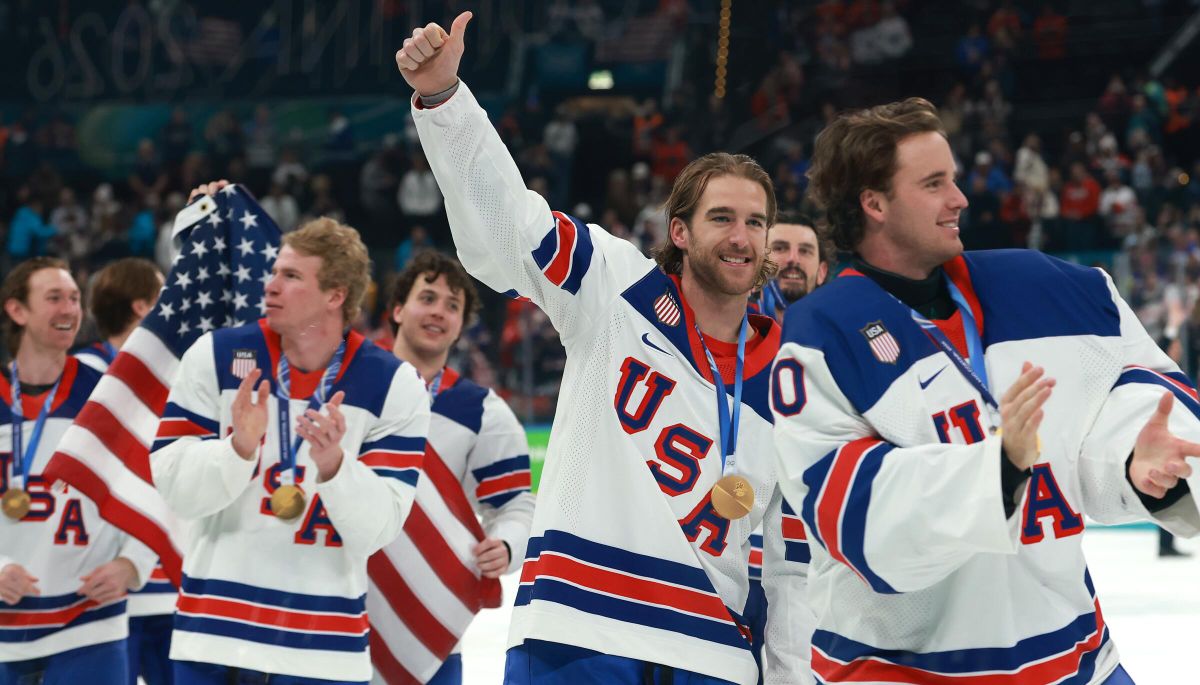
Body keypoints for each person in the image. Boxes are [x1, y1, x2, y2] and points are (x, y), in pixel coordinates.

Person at [397, 14, 808, 685]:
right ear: (679, 230)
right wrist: (447, 101)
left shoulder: (792, 380)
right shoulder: (615, 284)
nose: (741, 237)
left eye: (756, 222)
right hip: (577, 629)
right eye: (722, 218)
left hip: (712, 653)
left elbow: (792, 566)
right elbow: (511, 227)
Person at [774, 97, 1200, 684]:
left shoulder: (1044, 288)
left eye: (953, 178)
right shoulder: (820, 336)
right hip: (898, 673)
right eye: (934, 183)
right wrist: (996, 470)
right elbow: (860, 522)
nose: (960, 199)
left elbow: (1127, 395)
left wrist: (1134, 460)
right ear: (874, 203)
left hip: (1077, 665)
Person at [150, 188, 430, 685]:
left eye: (291, 276)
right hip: (214, 634)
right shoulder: (216, 355)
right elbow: (172, 486)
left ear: (336, 296)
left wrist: (336, 468)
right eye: (275, 270)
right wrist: (237, 449)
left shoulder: (393, 383)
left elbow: (381, 528)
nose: (271, 284)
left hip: (322, 648)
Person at [0, 257, 157, 685]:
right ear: (17, 311)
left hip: (90, 622)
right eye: (54, 298)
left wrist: (132, 563)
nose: (70, 309)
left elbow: (157, 485)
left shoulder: (111, 390)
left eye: (74, 298)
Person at [383, 250, 535, 683]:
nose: (439, 312)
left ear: (463, 324)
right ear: (397, 309)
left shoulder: (483, 412)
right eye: (427, 298)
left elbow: (516, 506)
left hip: (432, 634)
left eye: (453, 305)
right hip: (339, 622)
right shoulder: (348, 385)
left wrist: (505, 545)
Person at [70, 257, 171, 685]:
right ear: (143, 307)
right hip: (100, 576)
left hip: (162, 573)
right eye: (163, 295)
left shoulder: (176, 373)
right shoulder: (75, 378)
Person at [747, 211, 831, 684]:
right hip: (726, 569)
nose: (791, 261)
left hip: (811, 582)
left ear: (822, 272)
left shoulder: (842, 357)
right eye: (780, 248)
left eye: (805, 251)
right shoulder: (717, 345)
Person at [75, 258, 163, 374]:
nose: (171, 304)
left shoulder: (168, 364)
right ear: (140, 307)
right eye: (163, 296)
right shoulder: (85, 369)